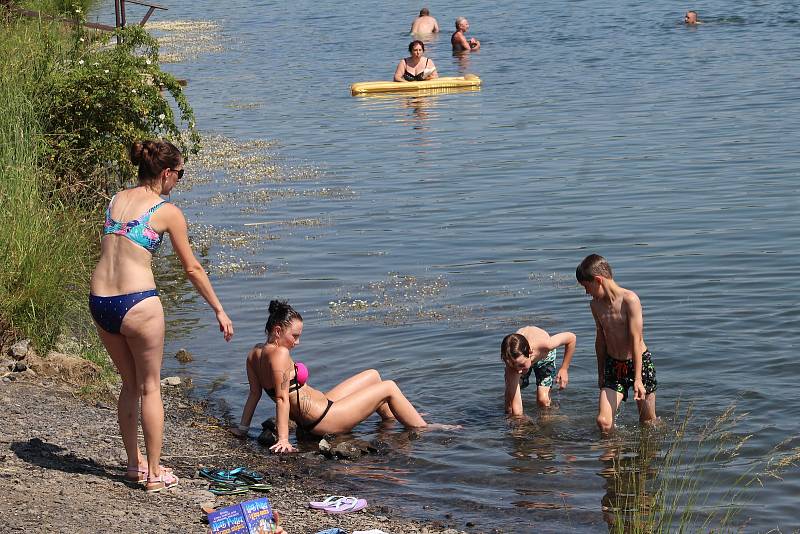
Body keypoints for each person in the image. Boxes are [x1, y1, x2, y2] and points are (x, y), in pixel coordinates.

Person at [89, 140, 234, 492]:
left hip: (100, 301)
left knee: (129, 384)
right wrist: (218, 308)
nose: (179, 181)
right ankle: (155, 474)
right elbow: (193, 269)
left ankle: (133, 465)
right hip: (138, 302)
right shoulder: (167, 211)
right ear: (167, 173)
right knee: (151, 387)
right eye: (180, 174)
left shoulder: (116, 200)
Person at [235, 300, 429, 453]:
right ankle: (424, 429)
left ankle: (395, 420)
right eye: (294, 336)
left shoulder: (255, 353)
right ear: (278, 330)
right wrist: (284, 439)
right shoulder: (280, 354)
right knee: (389, 387)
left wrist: (242, 430)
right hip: (324, 420)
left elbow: (254, 394)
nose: (298, 342)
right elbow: (281, 398)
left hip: (323, 405)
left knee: (373, 375)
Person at [575, 254, 657, 434]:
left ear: (598, 280)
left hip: (639, 364)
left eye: (586, 287)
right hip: (613, 365)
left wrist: (638, 379)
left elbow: (636, 340)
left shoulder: (630, 300)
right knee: (603, 422)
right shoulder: (595, 305)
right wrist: (601, 372)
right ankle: (613, 457)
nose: (586, 292)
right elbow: (601, 340)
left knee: (648, 423)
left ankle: (645, 458)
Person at [501, 326, 576, 415]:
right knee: (509, 403)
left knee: (543, 400)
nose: (519, 371)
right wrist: (519, 423)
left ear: (530, 352)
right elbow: (517, 409)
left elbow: (571, 338)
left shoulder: (546, 345)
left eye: (521, 365)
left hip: (544, 357)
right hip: (520, 359)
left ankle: (546, 422)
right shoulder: (513, 364)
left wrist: (564, 368)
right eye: (513, 367)